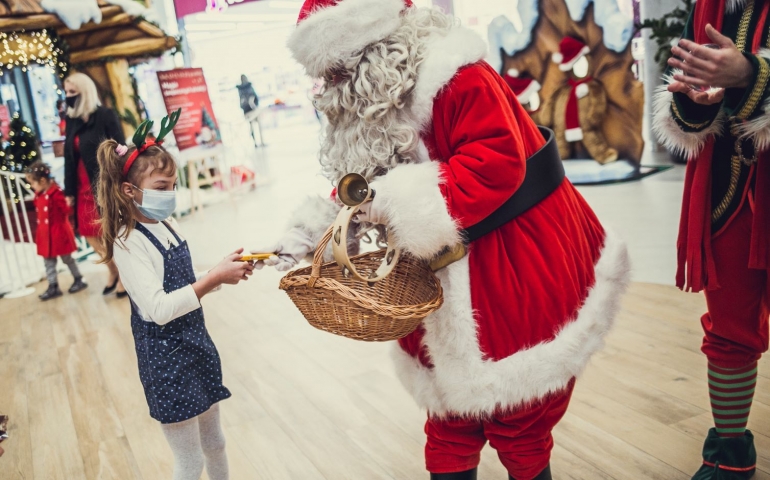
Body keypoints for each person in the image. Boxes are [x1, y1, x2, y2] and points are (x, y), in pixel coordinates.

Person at [256, 1, 631, 479]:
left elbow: (496, 162)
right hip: (437, 278)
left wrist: (392, 200)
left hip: (510, 261)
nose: (331, 86)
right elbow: (364, 178)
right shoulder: (370, 99)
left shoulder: (457, 76)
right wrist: (314, 232)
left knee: (520, 417)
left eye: (337, 70)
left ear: (371, 45)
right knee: (449, 419)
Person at [96, 119, 254, 480]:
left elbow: (185, 285)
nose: (170, 193)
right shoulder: (128, 241)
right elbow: (158, 309)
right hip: (167, 361)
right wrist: (213, 278)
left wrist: (221, 274)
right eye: (161, 186)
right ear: (129, 190)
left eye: (173, 185)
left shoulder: (167, 224)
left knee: (216, 443)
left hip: (196, 345)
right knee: (189, 460)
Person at [653, 0, 770, 478]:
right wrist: (693, 99)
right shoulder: (709, 5)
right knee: (728, 330)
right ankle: (731, 445)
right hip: (729, 193)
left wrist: (752, 74)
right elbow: (683, 113)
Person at [63, 72, 127, 297]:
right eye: (66, 92)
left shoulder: (105, 115)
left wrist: (118, 180)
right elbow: (68, 157)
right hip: (80, 186)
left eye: (73, 92)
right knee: (89, 233)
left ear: (85, 92)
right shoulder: (71, 120)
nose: (68, 96)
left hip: (102, 184)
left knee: (109, 232)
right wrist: (68, 190)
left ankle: (122, 275)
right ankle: (115, 270)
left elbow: (120, 148)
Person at [25, 161, 88, 301]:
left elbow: (66, 211)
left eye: (33, 183)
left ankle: (79, 278)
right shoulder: (39, 195)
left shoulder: (56, 193)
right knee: (48, 262)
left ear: (42, 180)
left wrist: (68, 203)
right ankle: (53, 286)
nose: (32, 186)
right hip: (46, 235)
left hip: (58, 233)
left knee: (67, 259)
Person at [237, 75, 264, 147]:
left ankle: (256, 143)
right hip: (252, 110)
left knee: (253, 127)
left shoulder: (240, 89)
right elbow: (255, 97)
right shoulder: (249, 87)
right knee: (256, 127)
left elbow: (241, 101)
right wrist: (255, 105)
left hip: (247, 111)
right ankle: (259, 142)